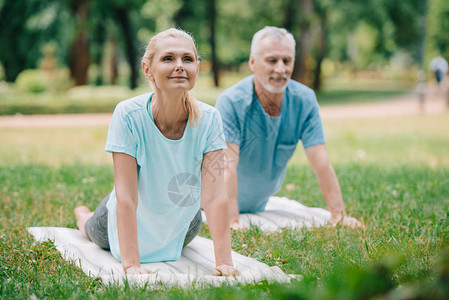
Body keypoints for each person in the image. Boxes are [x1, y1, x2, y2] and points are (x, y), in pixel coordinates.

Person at [74, 28, 239, 276]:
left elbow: (215, 196)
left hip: (182, 226)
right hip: (121, 218)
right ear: (147, 69)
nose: (180, 66)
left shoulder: (210, 118)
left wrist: (224, 262)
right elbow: (126, 196)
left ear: (197, 67)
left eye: (187, 59)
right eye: (168, 58)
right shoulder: (128, 114)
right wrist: (131, 265)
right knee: (89, 229)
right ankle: (81, 214)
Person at [215, 26, 362, 229]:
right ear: (252, 62)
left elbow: (321, 162)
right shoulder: (231, 102)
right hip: (208, 201)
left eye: (287, 60)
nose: (281, 69)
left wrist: (339, 216)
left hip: (257, 204)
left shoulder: (305, 100)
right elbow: (226, 167)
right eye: (272, 60)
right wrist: (232, 221)